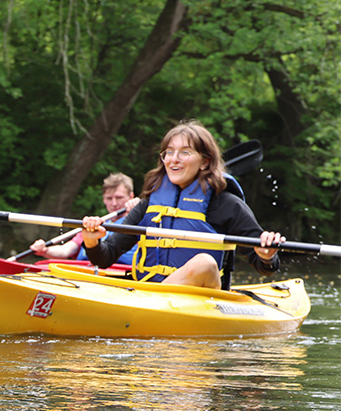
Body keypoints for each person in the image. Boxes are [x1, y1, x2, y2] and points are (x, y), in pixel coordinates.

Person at [82, 119, 284, 290]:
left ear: (205, 162)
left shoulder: (227, 205)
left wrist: (266, 256)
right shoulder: (149, 204)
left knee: (204, 263)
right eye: (169, 152)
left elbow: (265, 267)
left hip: (200, 300)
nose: (173, 160)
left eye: (185, 153)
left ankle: (150, 308)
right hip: (146, 293)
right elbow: (105, 257)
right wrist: (92, 242)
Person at [29, 172, 139, 264]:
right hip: (85, 275)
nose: (114, 203)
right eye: (109, 198)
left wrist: (140, 213)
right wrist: (45, 250)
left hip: (120, 277)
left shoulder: (142, 223)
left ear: (131, 196)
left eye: (119, 198)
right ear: (103, 199)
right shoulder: (94, 224)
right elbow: (65, 250)